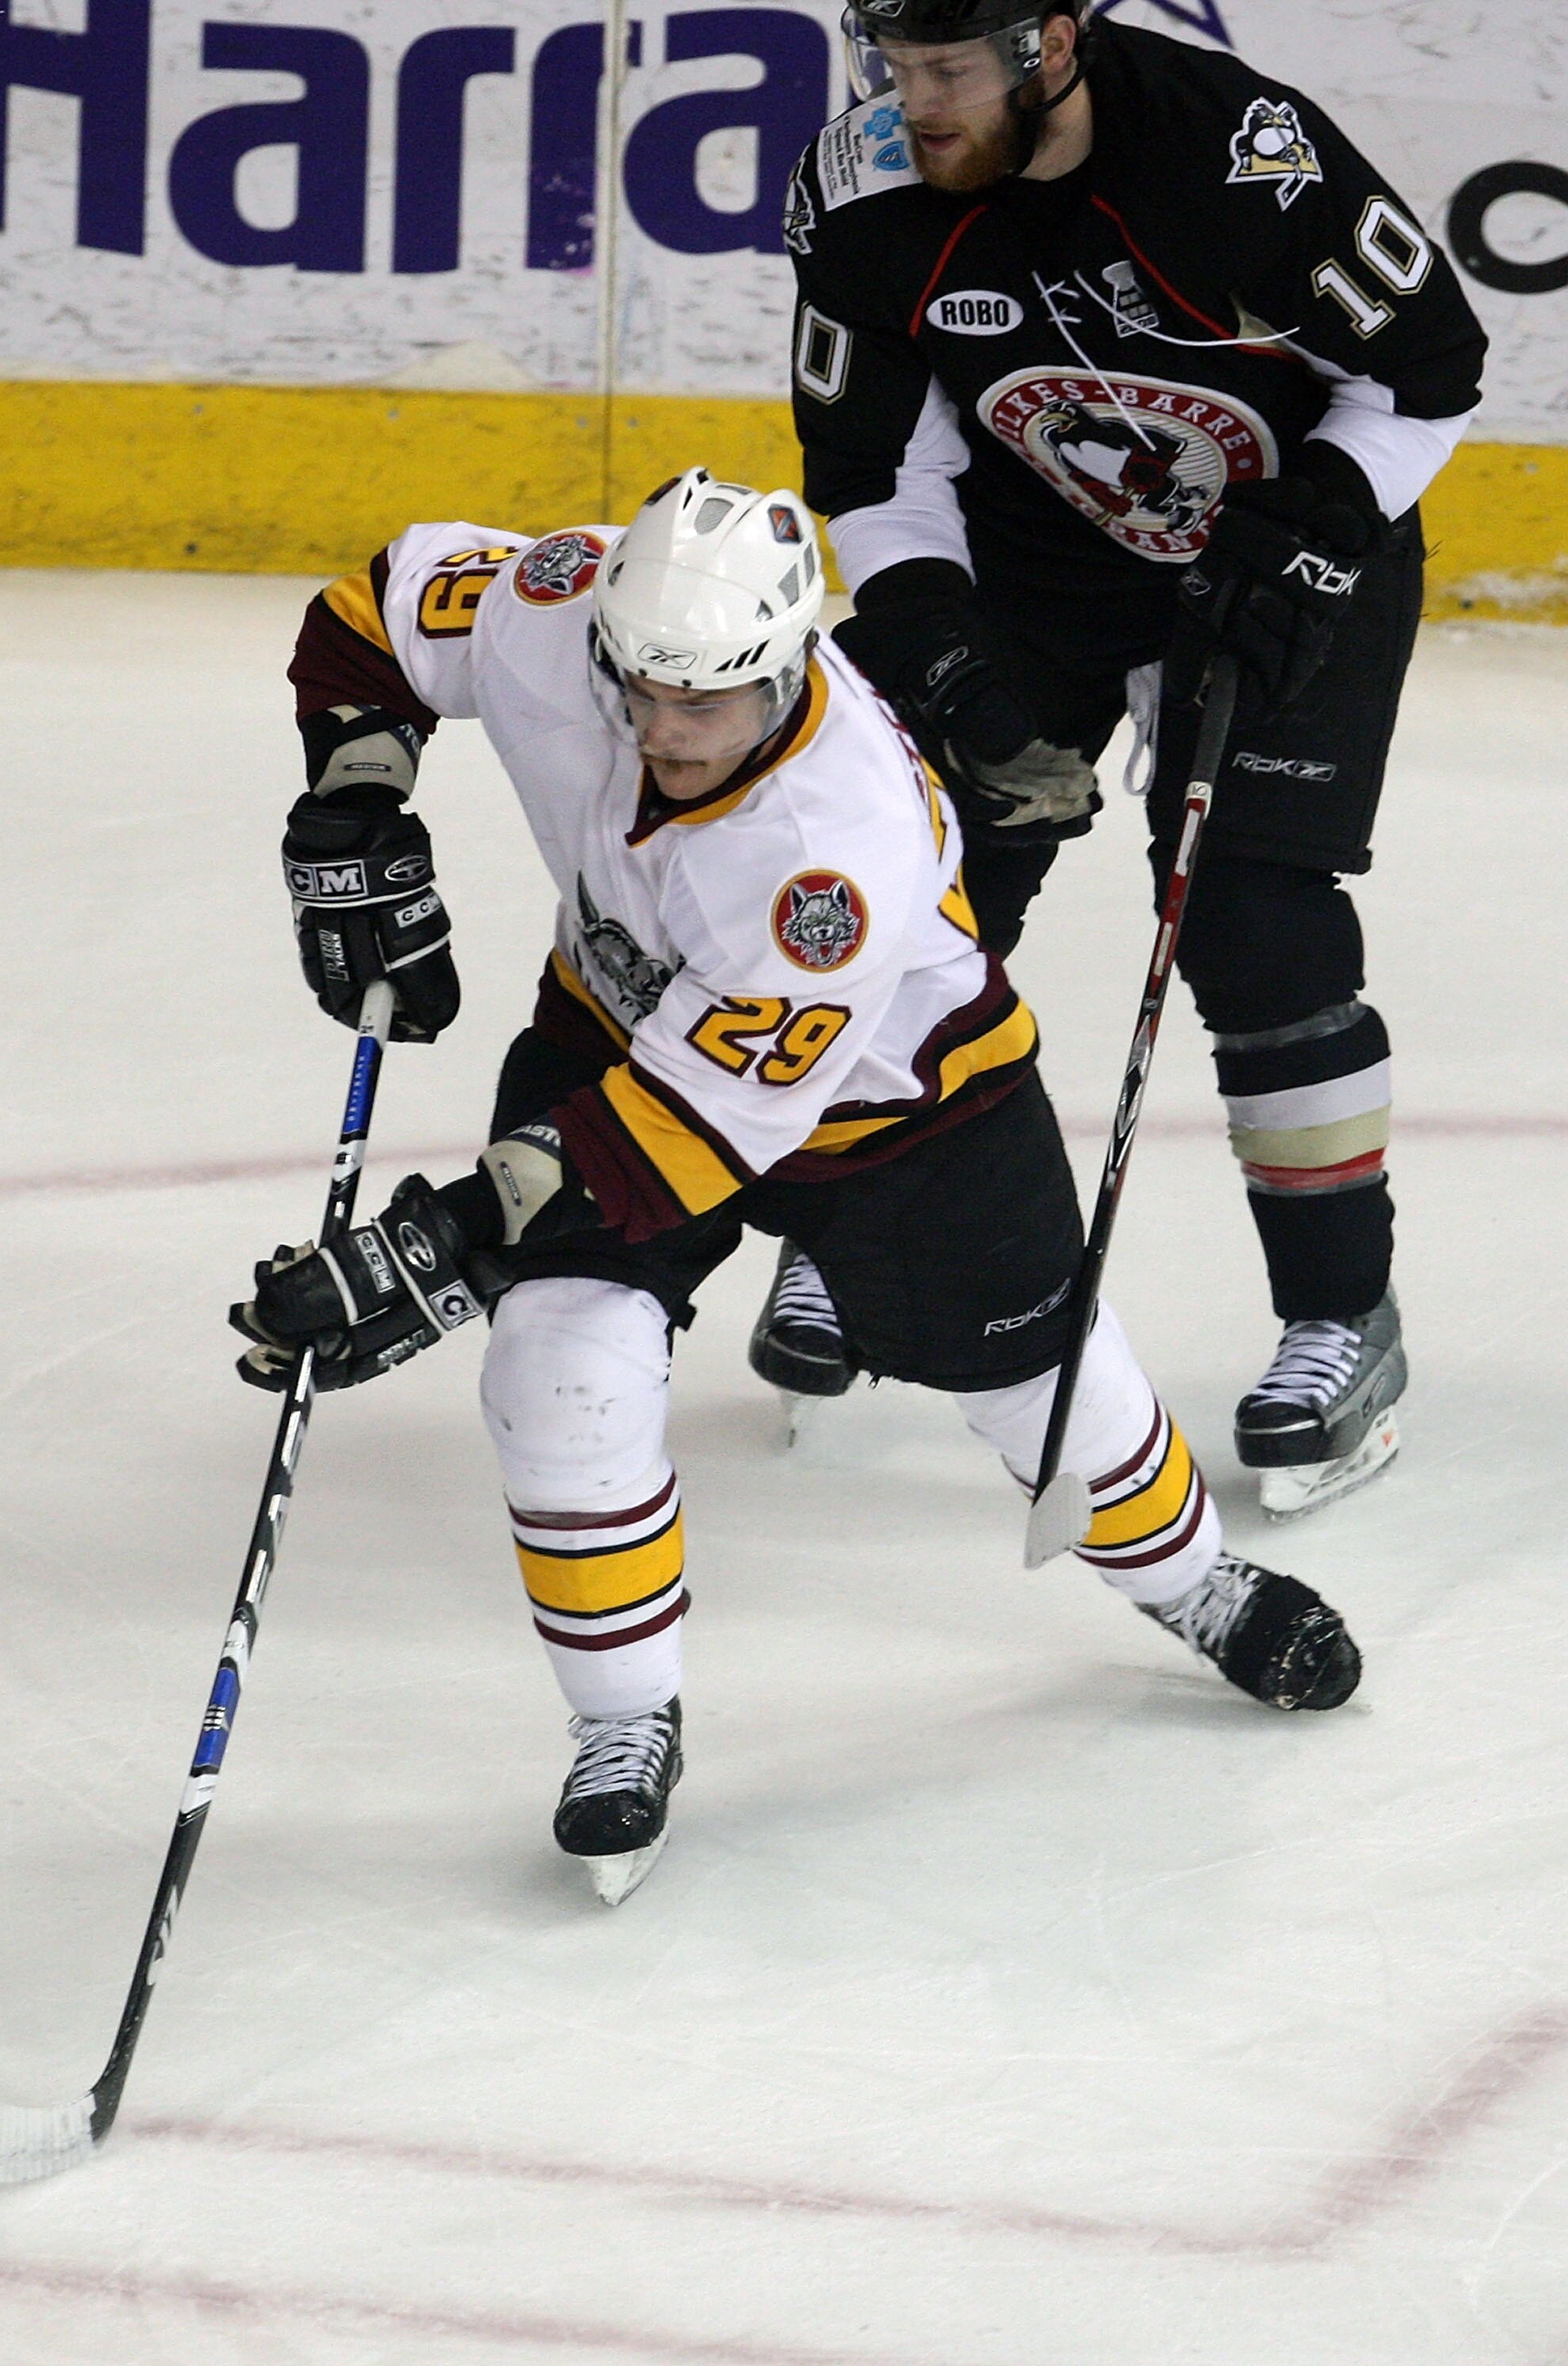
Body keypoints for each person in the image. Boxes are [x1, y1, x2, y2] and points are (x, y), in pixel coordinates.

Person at [230, 469, 1361, 1907]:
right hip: (619, 1028)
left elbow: (672, 1144)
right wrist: (357, 803)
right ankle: (623, 1719)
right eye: (637, 692)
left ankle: (1196, 1583)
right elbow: (368, 615)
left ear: (783, 670)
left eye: (703, 705)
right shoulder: (559, 606)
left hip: (906, 1115)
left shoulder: (837, 848)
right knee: (555, 1370)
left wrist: (439, 1243)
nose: (659, 731)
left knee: (1045, 1399)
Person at [755, 0, 1488, 1518]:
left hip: (1297, 541)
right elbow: (877, 471)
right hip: (1034, 563)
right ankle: (861, 1233)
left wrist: (1302, 545)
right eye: (894, 68)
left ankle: (1342, 1320)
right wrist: (944, 660)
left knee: (1251, 917)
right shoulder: (863, 193)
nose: (917, 104)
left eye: (950, 71)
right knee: (920, 886)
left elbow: (1428, 374)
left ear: (1055, 46)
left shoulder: (1234, 158)